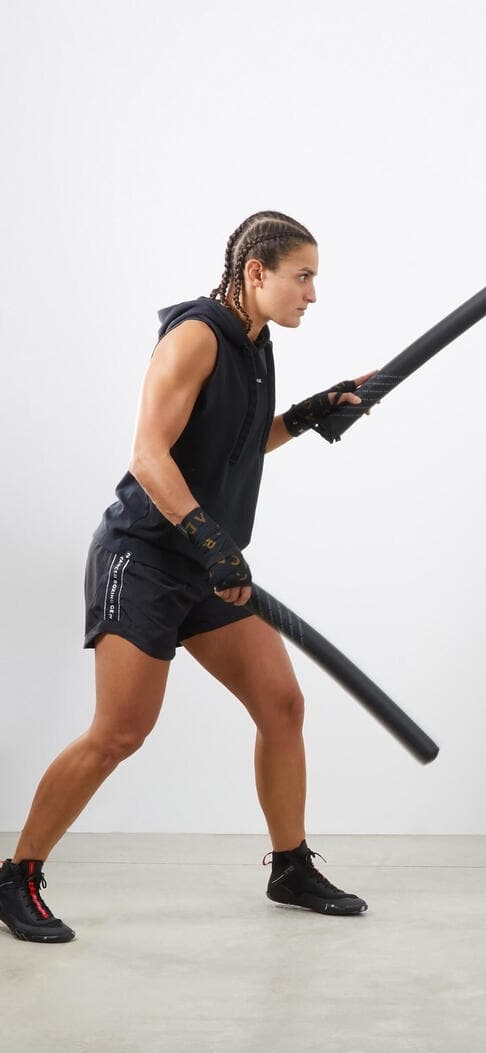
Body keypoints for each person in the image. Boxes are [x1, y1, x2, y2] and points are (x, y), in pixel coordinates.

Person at [0, 211, 373, 944]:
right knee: (120, 732)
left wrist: (306, 415)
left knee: (282, 706)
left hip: (208, 566)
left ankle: (290, 865)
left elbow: (234, 443)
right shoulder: (197, 334)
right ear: (256, 273)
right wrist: (210, 540)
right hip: (143, 558)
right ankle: (18, 874)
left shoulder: (258, 345)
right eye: (303, 276)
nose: (313, 295)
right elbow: (149, 454)